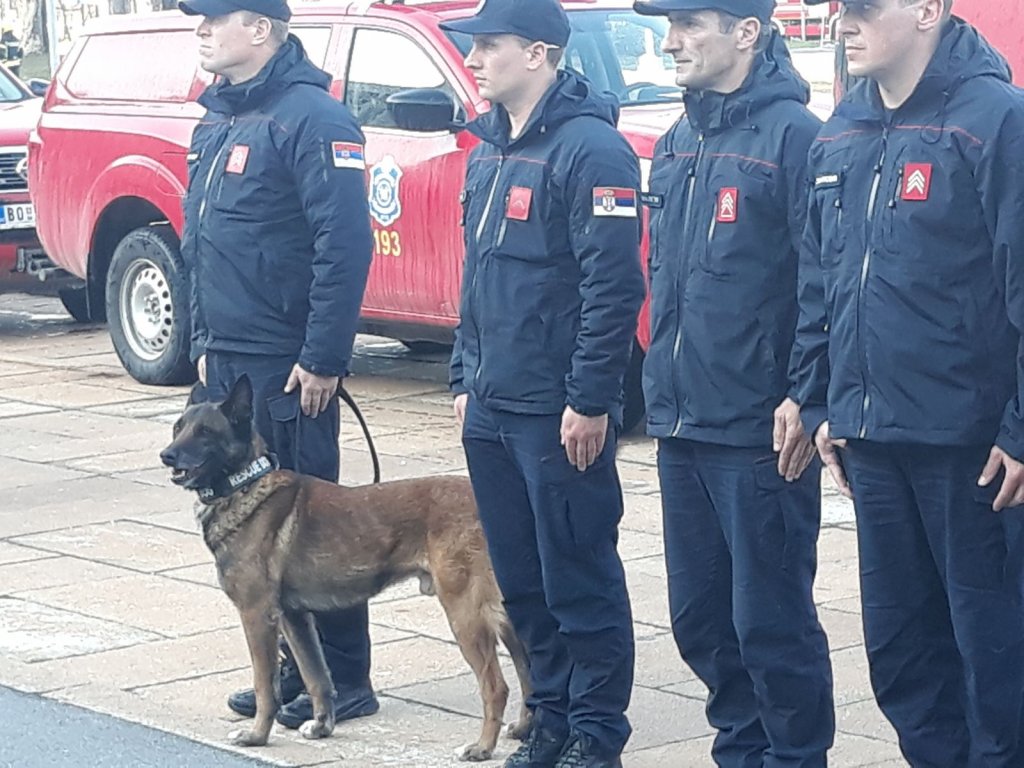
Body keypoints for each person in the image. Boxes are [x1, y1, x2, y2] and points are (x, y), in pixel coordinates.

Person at [793, 0, 1024, 764]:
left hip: (971, 451)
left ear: (927, 9)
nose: (843, 25)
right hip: (873, 443)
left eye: (864, 8)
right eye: (839, 9)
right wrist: (821, 401)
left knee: (994, 660)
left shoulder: (995, 121)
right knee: (902, 658)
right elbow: (822, 280)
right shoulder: (842, 131)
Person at [441, 0, 645, 764]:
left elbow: (612, 288)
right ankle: (550, 717)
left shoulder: (592, 150)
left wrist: (590, 398)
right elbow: (477, 278)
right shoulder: (488, 151)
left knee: (578, 578)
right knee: (523, 583)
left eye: (488, 46)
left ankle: (596, 732)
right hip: (492, 408)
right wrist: (463, 375)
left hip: (556, 415)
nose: (474, 60)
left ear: (538, 53)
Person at [631, 0, 834, 765]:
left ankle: (794, 756)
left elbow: (822, 281)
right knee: (700, 621)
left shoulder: (796, 139)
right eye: (668, 26)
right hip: (682, 422)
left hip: (758, 431)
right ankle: (741, 752)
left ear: (747, 32)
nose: (671, 41)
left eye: (690, 24)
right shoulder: (676, 141)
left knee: (771, 625)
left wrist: (805, 392)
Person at [177, 0, 378, 730]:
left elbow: (343, 245)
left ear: (260, 29)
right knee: (252, 528)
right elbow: (201, 241)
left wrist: (323, 356)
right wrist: (201, 337)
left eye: (214, 17)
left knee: (318, 525)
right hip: (227, 358)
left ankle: (345, 678)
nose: (201, 30)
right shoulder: (218, 118)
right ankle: (293, 669)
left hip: (289, 366)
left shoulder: (312, 119)